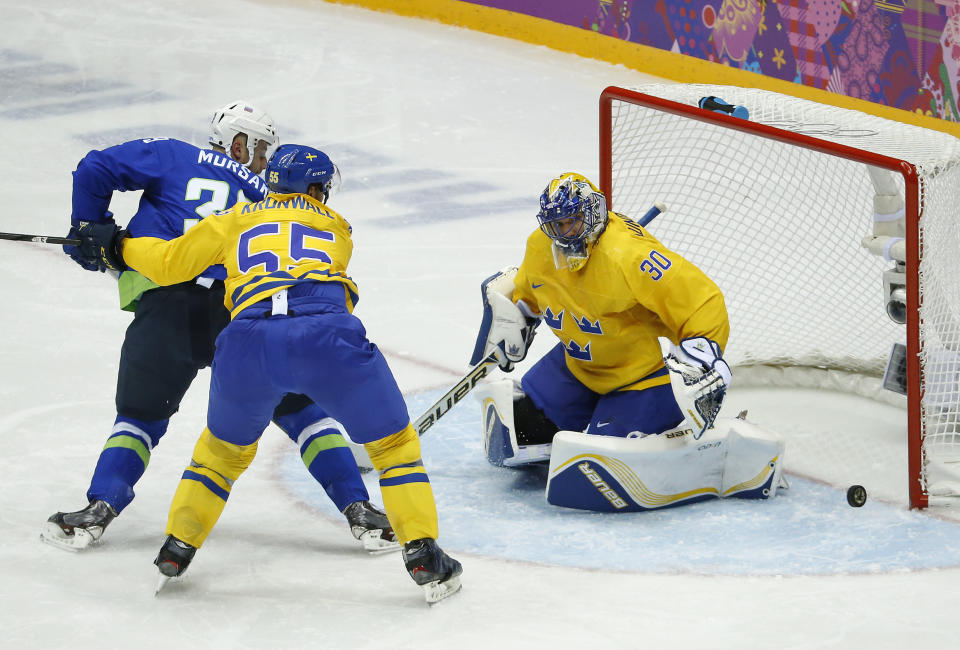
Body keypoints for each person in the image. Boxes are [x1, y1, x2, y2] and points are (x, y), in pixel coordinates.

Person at [79, 144, 462, 603]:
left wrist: (116, 244)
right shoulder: (338, 227)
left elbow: (167, 264)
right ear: (317, 190)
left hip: (247, 343)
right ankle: (422, 554)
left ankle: (178, 547)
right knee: (393, 445)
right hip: (327, 338)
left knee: (217, 457)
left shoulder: (234, 219)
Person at [43, 101, 397, 554]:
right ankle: (360, 511)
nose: (267, 161)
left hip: (169, 308)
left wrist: (91, 229)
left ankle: (98, 510)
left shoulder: (173, 155)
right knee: (301, 411)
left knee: (140, 417)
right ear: (238, 142)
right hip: (247, 317)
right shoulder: (270, 197)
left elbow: (94, 168)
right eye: (263, 149)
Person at [469, 173, 784, 511]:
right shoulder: (540, 247)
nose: (563, 233)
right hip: (576, 365)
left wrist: (701, 352)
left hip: (638, 377)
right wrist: (515, 315)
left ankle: (709, 444)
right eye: (555, 224)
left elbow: (701, 300)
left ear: (591, 214)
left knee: (599, 464)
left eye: (571, 222)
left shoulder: (630, 256)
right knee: (518, 434)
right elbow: (530, 293)